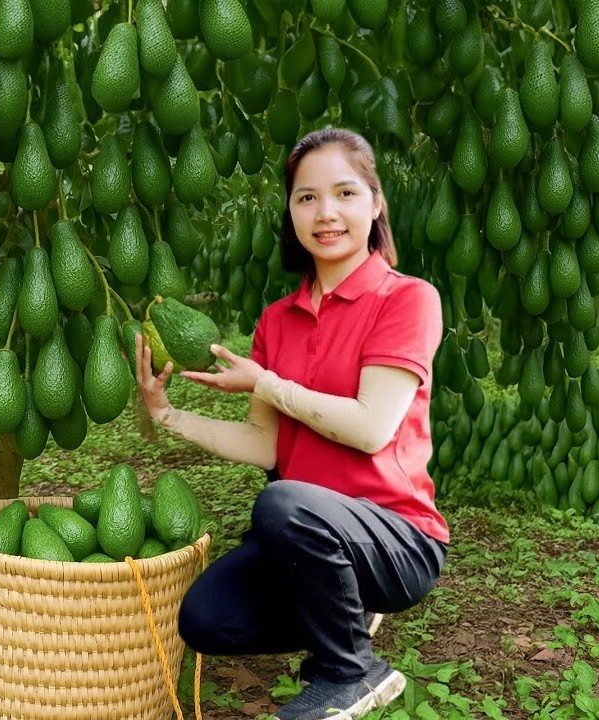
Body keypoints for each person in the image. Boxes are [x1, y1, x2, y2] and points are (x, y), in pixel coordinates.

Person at [133, 127, 450, 720]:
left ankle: (350, 672)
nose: (326, 213)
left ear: (375, 203)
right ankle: (344, 615)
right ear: (291, 212)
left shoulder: (407, 299)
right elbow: (263, 443)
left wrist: (268, 383)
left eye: (345, 194)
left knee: (280, 502)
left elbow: (371, 428)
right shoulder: (276, 322)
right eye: (306, 198)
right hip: (305, 539)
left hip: (398, 537)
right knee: (204, 617)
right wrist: (167, 414)